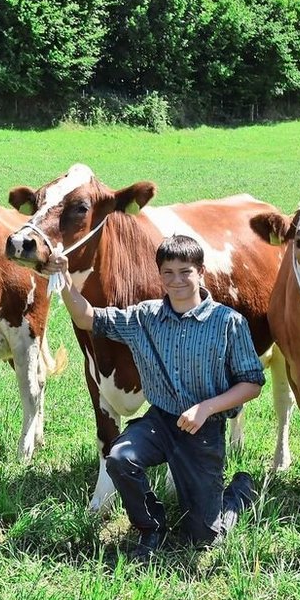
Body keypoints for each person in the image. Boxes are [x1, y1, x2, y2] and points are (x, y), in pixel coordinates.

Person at [53, 234, 264, 560]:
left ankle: (238, 493)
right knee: (119, 458)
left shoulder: (227, 323)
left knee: (205, 537)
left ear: (201, 272)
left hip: (203, 430)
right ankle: (151, 527)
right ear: (160, 275)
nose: (176, 280)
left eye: (185, 272)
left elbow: (252, 383)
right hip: (161, 421)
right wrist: (64, 278)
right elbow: (86, 317)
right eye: (168, 273)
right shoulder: (144, 318)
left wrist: (206, 408)